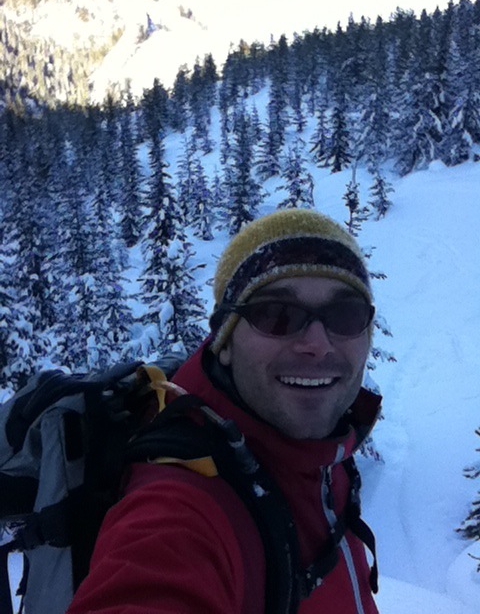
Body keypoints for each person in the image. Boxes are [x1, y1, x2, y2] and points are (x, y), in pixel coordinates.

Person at [67, 208, 382, 614]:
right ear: (225, 341)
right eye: (278, 315)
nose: (318, 345)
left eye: (346, 315)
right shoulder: (180, 508)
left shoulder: (324, 460)